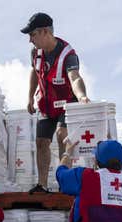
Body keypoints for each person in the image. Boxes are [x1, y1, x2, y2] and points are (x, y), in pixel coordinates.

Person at [21, 12, 90, 194]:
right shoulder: (35, 53)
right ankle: (42, 185)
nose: (30, 40)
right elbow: (34, 73)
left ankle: (64, 183)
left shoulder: (68, 54)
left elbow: (74, 78)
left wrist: (82, 96)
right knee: (41, 142)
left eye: (32, 35)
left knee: (62, 135)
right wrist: (29, 97)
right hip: (46, 104)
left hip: (66, 103)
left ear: (45, 32)